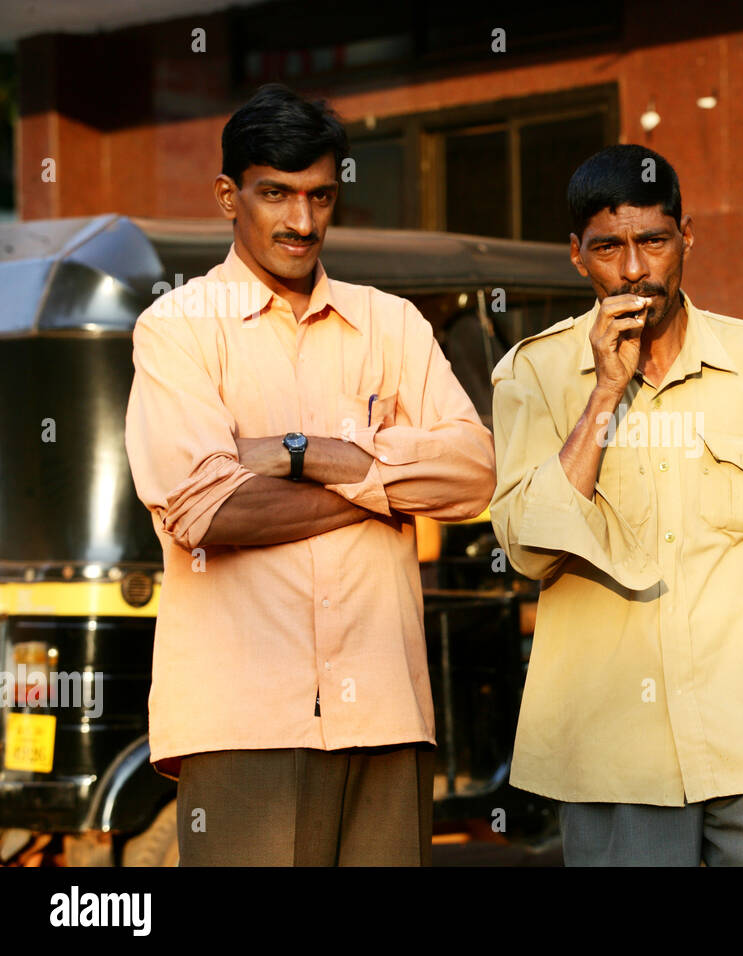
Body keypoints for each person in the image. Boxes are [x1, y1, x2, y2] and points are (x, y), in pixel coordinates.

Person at [124, 84, 495, 866]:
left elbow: (474, 475)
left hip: (386, 715)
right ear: (229, 195)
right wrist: (386, 491)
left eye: (320, 196)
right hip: (243, 722)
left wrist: (302, 455)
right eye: (277, 195)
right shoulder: (176, 329)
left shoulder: (392, 323)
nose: (301, 221)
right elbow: (207, 510)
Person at [489, 145, 743, 866]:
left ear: (686, 236)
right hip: (612, 754)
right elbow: (529, 547)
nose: (633, 271)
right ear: (576, 256)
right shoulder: (533, 372)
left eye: (652, 242)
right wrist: (603, 392)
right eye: (608, 249)